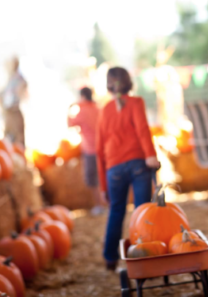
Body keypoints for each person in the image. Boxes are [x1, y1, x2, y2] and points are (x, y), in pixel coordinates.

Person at [96, 67, 160, 270]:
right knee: (141, 211)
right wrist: (150, 155)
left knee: (116, 210)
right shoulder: (136, 102)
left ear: (109, 85)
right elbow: (142, 129)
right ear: (128, 83)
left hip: (113, 168)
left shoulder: (104, 111)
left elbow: (99, 150)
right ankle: (143, 257)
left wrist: (103, 187)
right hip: (138, 164)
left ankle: (110, 258)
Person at [67, 87, 105, 215]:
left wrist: (70, 109)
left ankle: (99, 205)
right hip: (103, 148)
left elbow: (70, 124)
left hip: (90, 150)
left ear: (82, 97)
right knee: (104, 176)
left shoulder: (82, 112)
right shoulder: (98, 109)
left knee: (92, 178)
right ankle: (109, 203)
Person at [0, 56, 28, 146]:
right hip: (8, 112)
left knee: (18, 139)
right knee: (9, 139)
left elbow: (23, 88)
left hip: (14, 111)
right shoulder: (9, 78)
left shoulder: (19, 78)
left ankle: (18, 156)